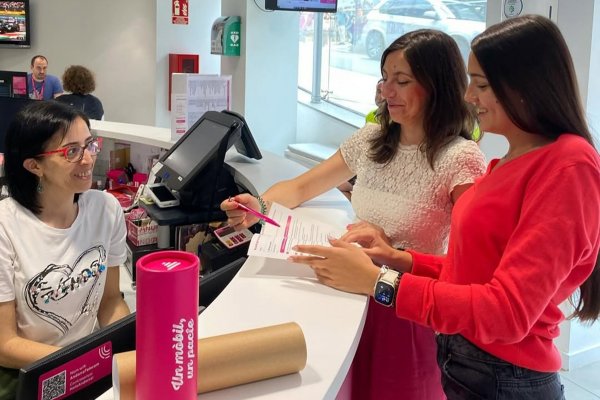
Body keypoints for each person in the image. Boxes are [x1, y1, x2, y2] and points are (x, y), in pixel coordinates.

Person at [290, 15, 600, 399]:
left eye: (482, 85)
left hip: (505, 376)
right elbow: (471, 271)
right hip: (464, 356)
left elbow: (506, 312)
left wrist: (378, 282)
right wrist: (398, 259)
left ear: (526, 85)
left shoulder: (568, 166)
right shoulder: (509, 160)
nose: (469, 96)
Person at [222, 29, 486, 399]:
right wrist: (259, 206)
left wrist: (393, 253)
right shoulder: (372, 139)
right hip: (346, 292)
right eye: (384, 78)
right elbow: (301, 187)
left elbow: (471, 263)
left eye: (401, 81)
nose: (386, 91)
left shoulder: (460, 159)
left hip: (405, 307)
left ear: (437, 86)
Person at [0, 101, 130, 399]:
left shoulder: (106, 209)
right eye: (71, 151)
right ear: (34, 166)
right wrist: (87, 363)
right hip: (29, 372)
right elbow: (5, 345)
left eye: (89, 145)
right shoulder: (6, 227)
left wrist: (126, 349)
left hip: (88, 366)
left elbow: (109, 301)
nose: (88, 159)